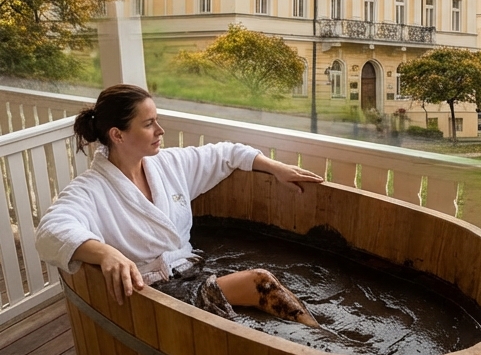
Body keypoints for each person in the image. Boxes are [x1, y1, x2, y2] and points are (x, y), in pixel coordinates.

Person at [37, 85, 324, 324]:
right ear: (117, 134)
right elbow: (50, 231)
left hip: (192, 273)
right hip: (156, 295)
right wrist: (105, 253)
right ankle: (317, 334)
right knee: (259, 281)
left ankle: (311, 330)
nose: (160, 130)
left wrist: (275, 168)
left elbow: (226, 153)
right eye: (149, 124)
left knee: (270, 283)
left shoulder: (168, 164)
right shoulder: (91, 189)